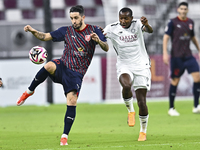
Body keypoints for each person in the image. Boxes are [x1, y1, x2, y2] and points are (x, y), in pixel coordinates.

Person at [16, 5, 108, 146]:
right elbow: (45, 36)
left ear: (83, 17)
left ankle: (64, 136)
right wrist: (34, 31)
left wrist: (98, 40)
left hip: (76, 74)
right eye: (71, 18)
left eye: (76, 18)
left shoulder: (94, 30)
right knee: (49, 65)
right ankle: (29, 91)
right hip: (63, 66)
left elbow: (106, 48)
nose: (73, 21)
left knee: (71, 101)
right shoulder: (66, 31)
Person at [103, 7, 153, 141]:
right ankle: (130, 110)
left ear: (131, 18)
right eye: (121, 18)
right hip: (124, 64)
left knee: (142, 102)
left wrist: (147, 24)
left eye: (126, 18)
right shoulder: (112, 28)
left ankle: (143, 131)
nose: (123, 21)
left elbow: (150, 30)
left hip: (141, 65)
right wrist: (95, 36)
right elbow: (101, 36)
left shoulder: (138, 24)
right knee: (126, 86)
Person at [163, 2, 200, 116]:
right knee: (175, 81)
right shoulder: (172, 22)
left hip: (188, 55)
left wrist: (199, 49)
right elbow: (166, 37)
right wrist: (165, 53)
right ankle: (171, 108)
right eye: (181, 9)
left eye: (185, 9)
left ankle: (196, 106)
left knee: (197, 77)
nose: (183, 11)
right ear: (178, 10)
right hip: (176, 57)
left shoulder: (190, 22)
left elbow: (193, 37)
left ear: (187, 10)